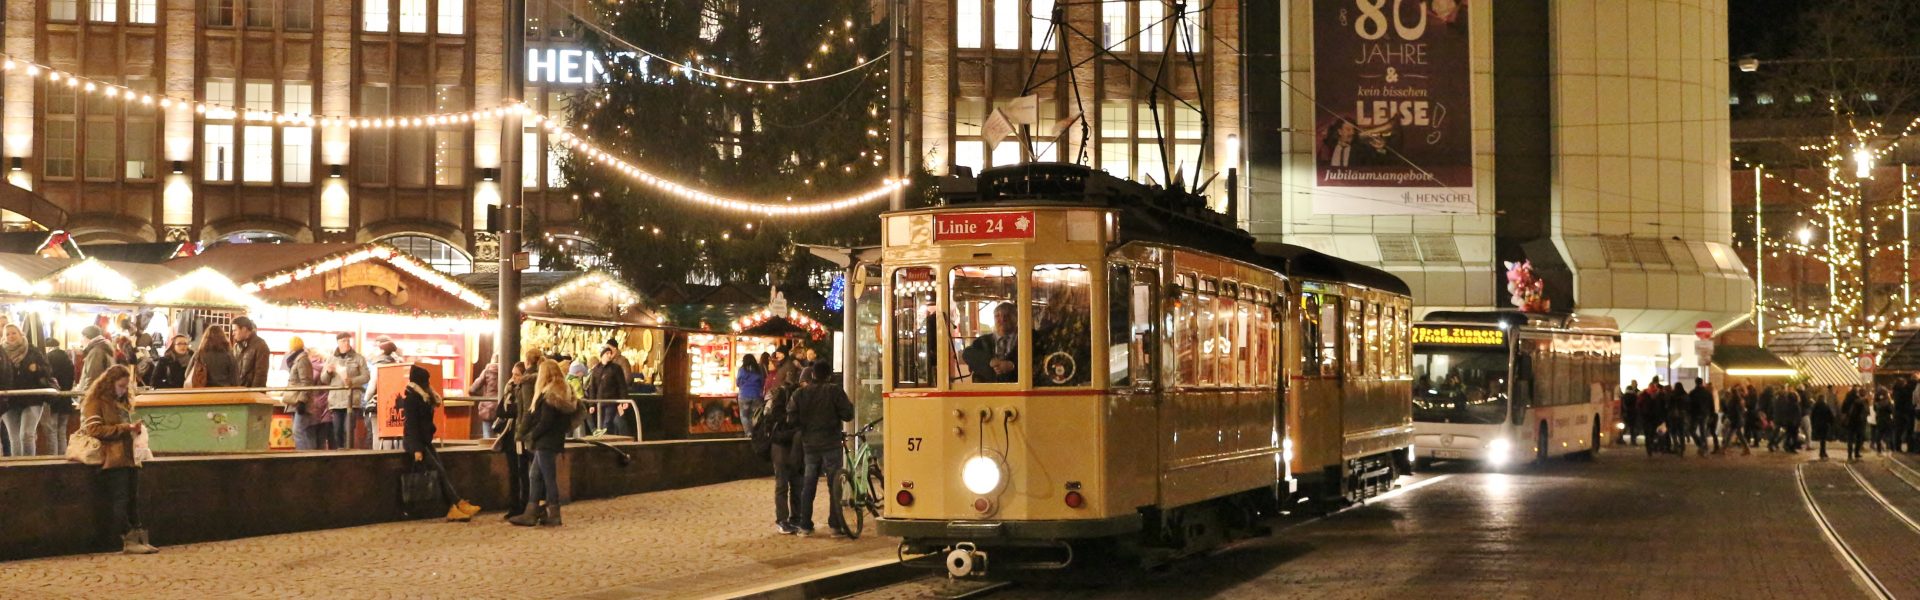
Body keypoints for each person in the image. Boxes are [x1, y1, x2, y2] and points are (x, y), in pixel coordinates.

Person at [80, 365, 158, 554]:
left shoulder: (121, 402)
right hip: (113, 457)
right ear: (110, 383)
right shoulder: (96, 402)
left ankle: (139, 537)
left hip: (129, 455)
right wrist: (125, 428)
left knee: (133, 498)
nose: (124, 390)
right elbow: (94, 430)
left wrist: (133, 430)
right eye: (121, 386)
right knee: (121, 498)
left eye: (126, 386)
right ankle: (127, 539)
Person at [400, 364, 481, 521]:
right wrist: (417, 449)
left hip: (424, 442)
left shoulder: (421, 397)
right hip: (416, 443)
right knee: (439, 473)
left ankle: (457, 504)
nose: (428, 383)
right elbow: (412, 425)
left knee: (441, 471)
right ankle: (454, 506)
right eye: (426, 381)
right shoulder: (411, 399)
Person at [510, 359, 579, 527]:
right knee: (535, 475)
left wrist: (533, 435)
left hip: (545, 442)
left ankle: (552, 514)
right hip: (552, 440)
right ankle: (532, 511)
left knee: (548, 477)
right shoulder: (563, 391)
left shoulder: (549, 394)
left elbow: (546, 421)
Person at [787, 363, 853, 537]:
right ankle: (835, 525)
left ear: (812, 375)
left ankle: (805, 525)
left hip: (809, 445)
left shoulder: (800, 394)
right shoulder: (834, 391)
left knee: (808, 485)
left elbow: (791, 418)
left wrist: (805, 426)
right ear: (828, 376)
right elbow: (848, 414)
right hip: (831, 443)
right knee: (834, 485)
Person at [763, 375, 805, 534]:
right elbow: (778, 419)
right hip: (782, 444)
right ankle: (786, 520)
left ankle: (792, 519)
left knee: (792, 483)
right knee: (786, 483)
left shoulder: (797, 395)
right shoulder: (787, 396)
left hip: (788, 444)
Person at [0, 324, 49, 456]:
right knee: (14, 437)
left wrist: (37, 368)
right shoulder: (1, 353)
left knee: (26, 434)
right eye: (7, 334)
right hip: (9, 400)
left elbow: (48, 370)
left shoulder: (32, 350)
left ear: (20, 334)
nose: (11, 336)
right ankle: (18, 469)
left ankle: (29, 467)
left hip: (32, 398)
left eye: (13, 333)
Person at [320, 333, 370, 450]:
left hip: (351, 400)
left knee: (348, 430)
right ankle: (339, 453)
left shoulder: (358, 358)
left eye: (348, 340)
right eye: (343, 341)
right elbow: (324, 380)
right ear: (338, 342)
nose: (346, 343)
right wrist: (328, 372)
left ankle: (348, 453)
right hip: (336, 400)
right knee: (337, 430)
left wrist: (352, 381)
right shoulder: (331, 358)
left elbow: (366, 376)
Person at [283, 337, 329, 450]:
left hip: (301, 401)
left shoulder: (302, 360)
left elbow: (306, 382)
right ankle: (307, 457)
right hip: (297, 400)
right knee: (304, 432)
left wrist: (302, 401)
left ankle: (304, 458)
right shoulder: (298, 359)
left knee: (298, 431)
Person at [960, 303, 1019, 384]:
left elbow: (1038, 359)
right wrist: (990, 361)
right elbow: (967, 354)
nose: (1002, 319)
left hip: (1021, 392)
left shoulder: (1030, 339)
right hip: (988, 392)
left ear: (1016, 317)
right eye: (997, 316)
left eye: (1007, 315)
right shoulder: (983, 341)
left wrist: (1013, 365)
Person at [40, 338, 77, 457]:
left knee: (52, 431)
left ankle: (53, 458)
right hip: (66, 399)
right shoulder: (68, 359)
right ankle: (63, 457)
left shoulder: (48, 358)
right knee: (62, 431)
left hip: (53, 400)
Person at [588, 346, 629, 437]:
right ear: (602, 355)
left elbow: (622, 385)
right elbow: (592, 387)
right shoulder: (596, 369)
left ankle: (604, 439)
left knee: (606, 423)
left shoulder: (616, 368)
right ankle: (604, 440)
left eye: (610, 353)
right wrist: (591, 404)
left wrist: (624, 399)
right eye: (607, 353)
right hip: (600, 401)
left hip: (612, 400)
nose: (609, 355)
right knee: (603, 423)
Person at [467, 359, 500, 438]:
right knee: (501, 438)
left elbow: (472, 390)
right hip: (502, 407)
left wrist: (483, 396)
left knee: (487, 437)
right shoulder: (508, 370)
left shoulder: (487, 372)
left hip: (488, 408)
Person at [77, 325, 114, 393]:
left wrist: (84, 399)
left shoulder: (96, 352)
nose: (81, 341)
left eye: (82, 337)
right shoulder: (103, 347)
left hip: (95, 398)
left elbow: (92, 379)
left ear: (86, 337)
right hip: (102, 395)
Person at [737, 354, 767, 433]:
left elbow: (737, 382)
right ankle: (755, 432)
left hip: (744, 395)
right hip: (757, 395)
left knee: (744, 416)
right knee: (755, 415)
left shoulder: (742, 369)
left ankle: (748, 433)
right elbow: (762, 382)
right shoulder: (758, 369)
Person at [1721, 388, 1750, 456]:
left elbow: (1731, 410)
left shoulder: (1733, 401)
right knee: (1739, 435)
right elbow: (1742, 410)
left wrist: (1731, 418)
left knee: (1729, 435)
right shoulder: (1740, 400)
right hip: (1738, 419)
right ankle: (1747, 449)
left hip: (1735, 420)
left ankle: (1724, 449)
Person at [1842, 388, 1868, 462]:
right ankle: (1856, 453)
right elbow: (1864, 410)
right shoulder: (1860, 400)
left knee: (1850, 438)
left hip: (1850, 421)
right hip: (1858, 422)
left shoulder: (1846, 400)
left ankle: (1850, 455)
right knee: (1858, 437)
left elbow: (1843, 410)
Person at [1810, 391, 1835, 460]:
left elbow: (1812, 416)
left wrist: (1813, 423)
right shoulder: (1825, 406)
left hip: (1817, 424)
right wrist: (1831, 423)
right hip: (1824, 424)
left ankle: (1822, 452)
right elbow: (1830, 416)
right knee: (1823, 439)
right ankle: (1822, 452)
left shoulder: (1815, 406)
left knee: (1822, 439)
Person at [1874, 387, 1895, 454]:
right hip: (1887, 419)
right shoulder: (1888, 401)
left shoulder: (1877, 402)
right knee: (1889, 434)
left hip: (1879, 419)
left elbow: (1875, 409)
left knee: (1879, 434)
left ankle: (1879, 449)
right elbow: (1891, 410)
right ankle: (1890, 448)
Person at [1620, 380, 1640, 446]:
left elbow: (1622, 405)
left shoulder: (1624, 396)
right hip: (1633, 413)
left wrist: (1623, 412)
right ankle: (1633, 441)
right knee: (1632, 427)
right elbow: (1637, 404)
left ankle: (1620, 439)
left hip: (1626, 413)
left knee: (1625, 427)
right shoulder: (1635, 396)